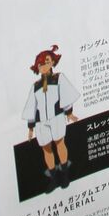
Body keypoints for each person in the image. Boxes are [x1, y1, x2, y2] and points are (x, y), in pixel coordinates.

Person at [23, 46, 79, 192]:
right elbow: (32, 106)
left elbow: (65, 95)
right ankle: (54, 179)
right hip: (41, 122)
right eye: (40, 64)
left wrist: (69, 113)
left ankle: (65, 175)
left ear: (53, 62)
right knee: (46, 149)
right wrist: (30, 127)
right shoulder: (35, 86)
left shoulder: (58, 78)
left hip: (57, 117)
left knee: (60, 143)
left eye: (46, 62)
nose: (43, 66)